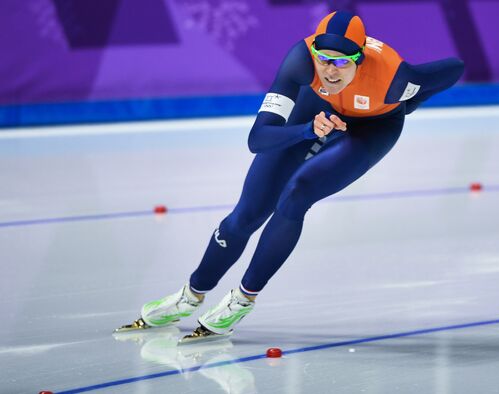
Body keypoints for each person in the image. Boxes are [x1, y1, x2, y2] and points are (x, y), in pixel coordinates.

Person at [116, 10, 464, 339]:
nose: (330, 70)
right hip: (317, 111)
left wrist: (405, 105)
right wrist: (306, 131)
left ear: (359, 59)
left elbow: (453, 68)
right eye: (324, 58)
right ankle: (190, 296)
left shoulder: (394, 77)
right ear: (312, 51)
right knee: (246, 215)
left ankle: (242, 300)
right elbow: (258, 139)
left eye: (342, 62)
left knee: (296, 195)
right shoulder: (300, 61)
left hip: (372, 128)